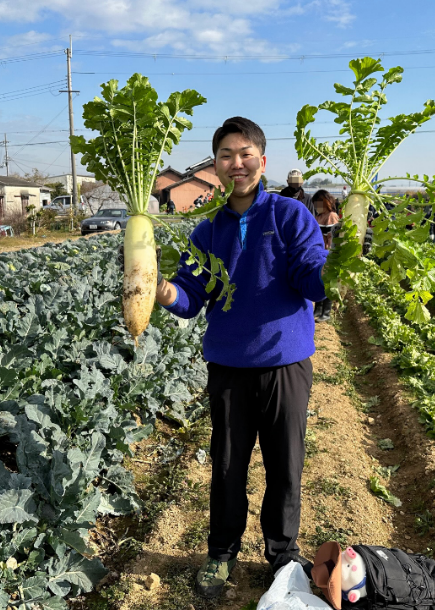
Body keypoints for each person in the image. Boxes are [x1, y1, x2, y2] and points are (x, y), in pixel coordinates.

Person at [155, 117, 327, 598]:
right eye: (227, 155)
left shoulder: (290, 217)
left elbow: (310, 278)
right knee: (228, 463)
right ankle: (221, 553)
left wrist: (337, 267)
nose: (237, 163)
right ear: (215, 166)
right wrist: (162, 289)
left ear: (263, 161)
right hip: (229, 365)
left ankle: (282, 555)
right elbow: (191, 298)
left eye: (245, 153)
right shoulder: (208, 231)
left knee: (284, 463)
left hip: (285, 363)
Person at [313, 189, 340, 322]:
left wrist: (330, 252)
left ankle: (326, 312)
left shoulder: (331, 216)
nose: (316, 207)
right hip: (319, 252)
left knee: (328, 282)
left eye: (318, 204)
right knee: (319, 280)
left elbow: (334, 238)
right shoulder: (318, 217)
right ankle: (318, 310)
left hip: (328, 253)